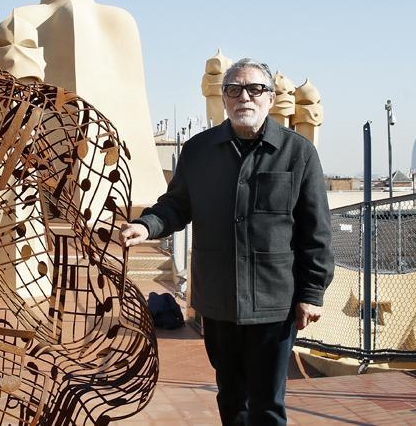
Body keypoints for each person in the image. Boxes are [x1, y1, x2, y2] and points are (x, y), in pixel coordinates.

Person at [120, 57, 333, 426]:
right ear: (223, 98)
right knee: (231, 398)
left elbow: (316, 230)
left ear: (269, 98)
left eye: (254, 89)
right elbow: (176, 204)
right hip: (218, 302)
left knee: (267, 403)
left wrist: (312, 292)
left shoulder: (298, 153)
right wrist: (148, 226)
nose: (243, 97)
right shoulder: (199, 151)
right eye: (233, 89)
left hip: (273, 302)